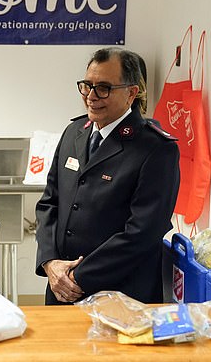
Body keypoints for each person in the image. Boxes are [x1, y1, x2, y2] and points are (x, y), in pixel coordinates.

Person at [35, 47, 180, 305]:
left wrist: (76, 277)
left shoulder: (156, 148)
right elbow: (49, 203)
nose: (91, 96)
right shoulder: (74, 132)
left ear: (131, 93)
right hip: (61, 289)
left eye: (103, 87)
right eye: (87, 85)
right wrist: (50, 263)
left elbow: (143, 233)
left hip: (121, 296)